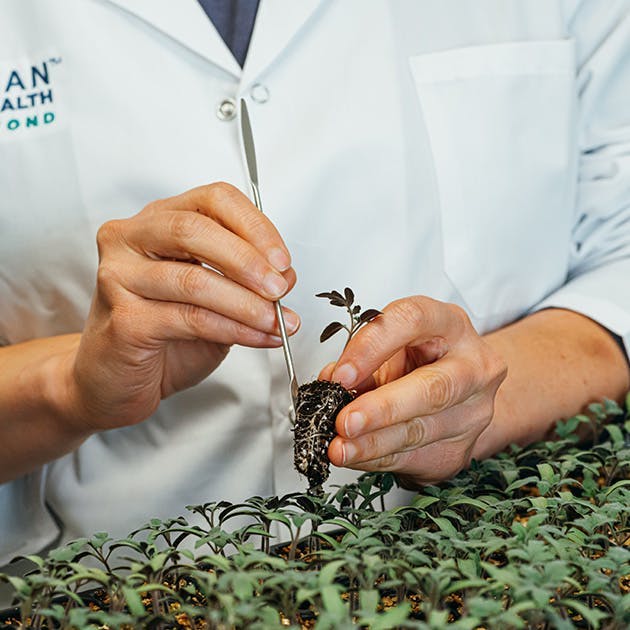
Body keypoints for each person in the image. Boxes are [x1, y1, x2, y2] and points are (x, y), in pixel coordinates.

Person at [1, 0, 629, 566]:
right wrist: (69, 385)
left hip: (471, 562)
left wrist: (477, 400)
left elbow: (618, 264)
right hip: (109, 585)